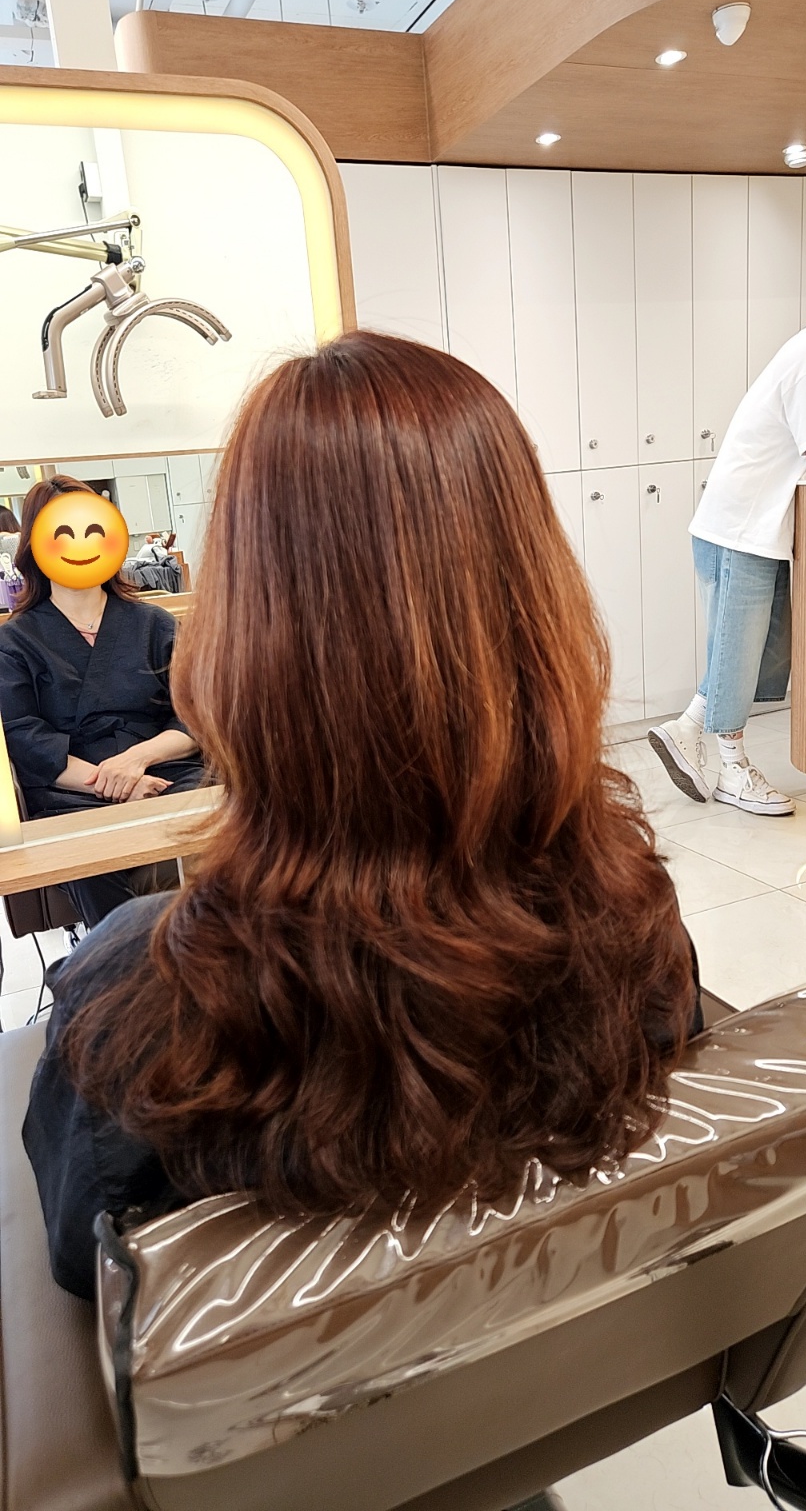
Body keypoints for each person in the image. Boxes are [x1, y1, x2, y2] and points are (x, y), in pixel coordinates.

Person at [23, 333, 702, 1301]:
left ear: (245, 646)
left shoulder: (130, 1009)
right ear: (534, 611)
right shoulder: (636, 929)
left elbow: (84, 1278)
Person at [649, 252, 806, 816]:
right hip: (740, 528)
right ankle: (732, 770)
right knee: (740, 650)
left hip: (757, 528)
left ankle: (688, 729)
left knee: (754, 652)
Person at [0, 475, 204, 928]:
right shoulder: (14, 642)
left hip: (168, 775)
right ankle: (129, 963)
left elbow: (195, 716)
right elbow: (23, 737)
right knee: (89, 863)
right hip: (71, 794)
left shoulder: (156, 624)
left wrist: (137, 761)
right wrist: (110, 783)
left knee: (215, 835)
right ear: (35, 545)